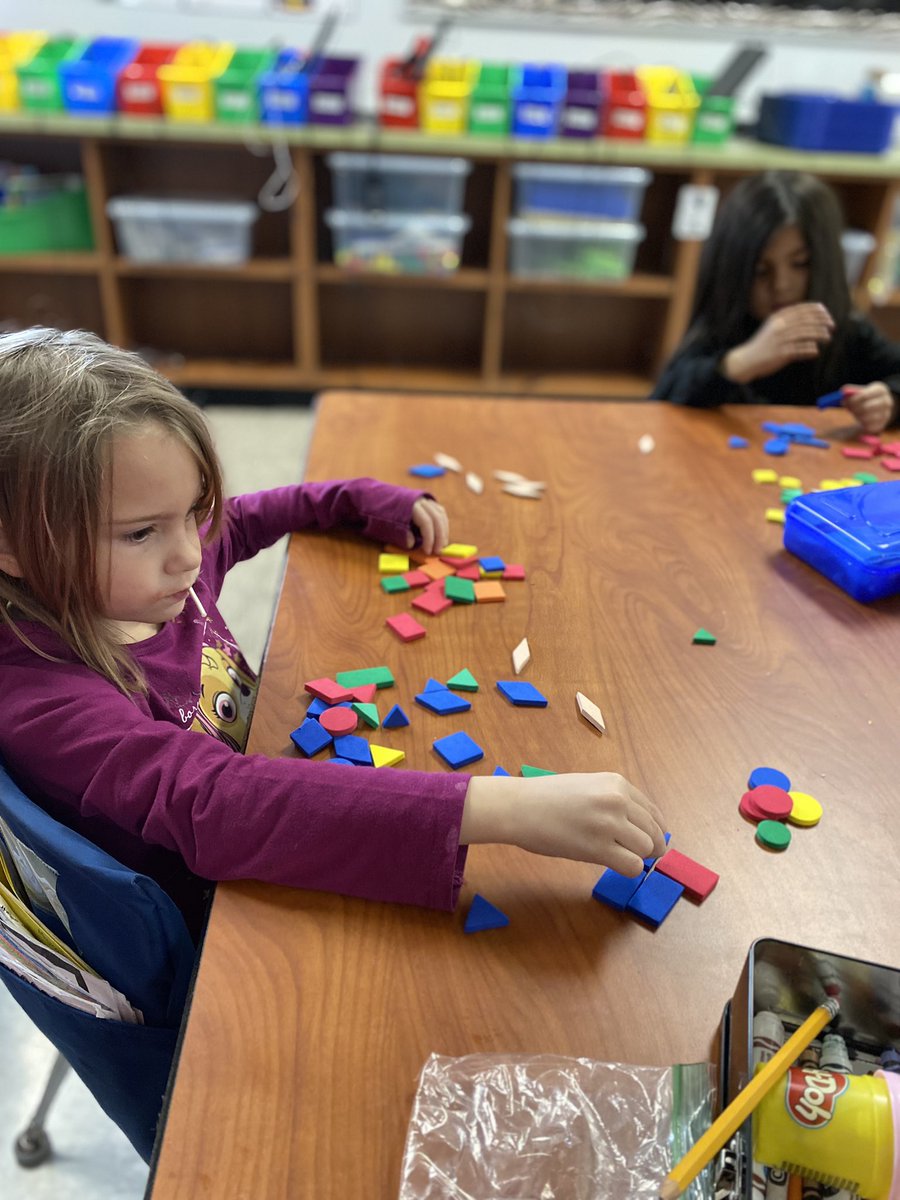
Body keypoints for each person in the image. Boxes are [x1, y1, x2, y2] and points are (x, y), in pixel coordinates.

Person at [0, 327, 667, 946]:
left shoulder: (143, 574)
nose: (189, 554)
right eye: (141, 531)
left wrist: (357, 500)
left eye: (192, 509)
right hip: (214, 928)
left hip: (265, 832)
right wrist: (501, 806)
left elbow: (248, 518)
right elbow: (214, 807)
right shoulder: (42, 696)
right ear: (13, 545)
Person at [654, 170, 900, 433]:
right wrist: (740, 363)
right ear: (734, 271)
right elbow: (660, 404)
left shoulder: (845, 329)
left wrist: (890, 401)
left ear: (825, 263)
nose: (781, 285)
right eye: (761, 270)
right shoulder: (723, 326)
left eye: (800, 264)